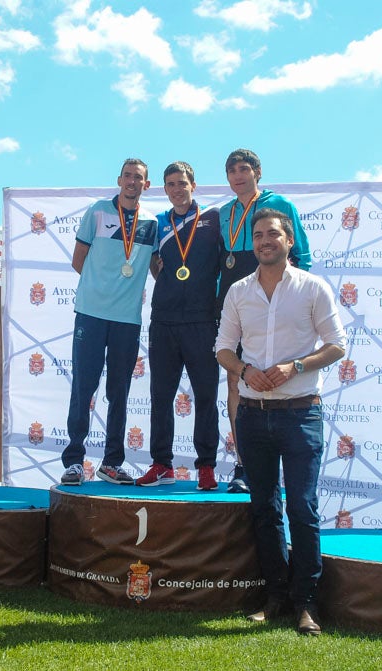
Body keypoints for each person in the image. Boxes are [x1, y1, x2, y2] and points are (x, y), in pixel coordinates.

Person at [216, 208, 345, 636]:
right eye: (258, 235)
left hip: (301, 413)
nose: (264, 240)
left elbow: (336, 346)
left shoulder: (313, 288)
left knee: (302, 509)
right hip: (252, 415)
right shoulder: (238, 291)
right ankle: (274, 598)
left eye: (273, 234)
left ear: (290, 242)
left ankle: (306, 602)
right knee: (264, 510)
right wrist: (243, 370)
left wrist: (295, 367)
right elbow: (222, 350)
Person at [218, 148, 311, 493]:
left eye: (244, 169)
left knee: (280, 378)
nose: (238, 176)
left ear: (258, 172)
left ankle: (283, 466)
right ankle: (244, 464)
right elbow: (220, 265)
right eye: (232, 171)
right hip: (238, 303)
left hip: (277, 301)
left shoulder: (281, 205)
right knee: (236, 383)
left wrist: (293, 298)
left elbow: (303, 255)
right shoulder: (224, 213)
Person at [60, 158, 158, 486]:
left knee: (120, 391)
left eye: (139, 178)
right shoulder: (98, 211)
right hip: (91, 313)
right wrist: (100, 289)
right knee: (83, 386)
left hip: (127, 319)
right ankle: (74, 461)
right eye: (128, 176)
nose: (132, 182)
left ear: (146, 185)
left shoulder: (152, 222)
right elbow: (79, 260)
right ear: (119, 179)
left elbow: (156, 268)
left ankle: (112, 462)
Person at [137, 161, 223, 490]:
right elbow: (155, 266)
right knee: (161, 396)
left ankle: (206, 467)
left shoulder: (213, 220)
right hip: (164, 319)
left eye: (182, 183)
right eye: (171, 184)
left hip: (202, 320)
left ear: (193, 185)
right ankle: (162, 464)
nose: (177, 189)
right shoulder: (158, 222)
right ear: (165, 188)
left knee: (205, 395)